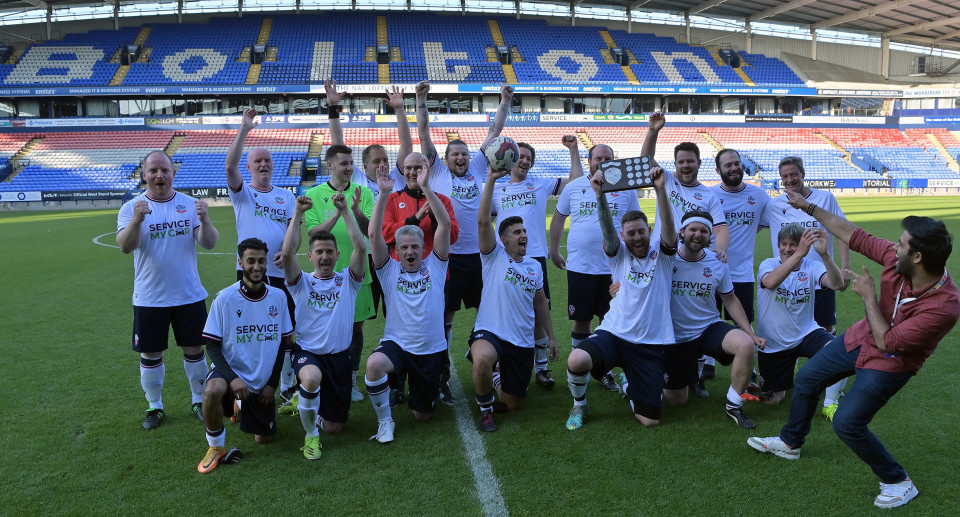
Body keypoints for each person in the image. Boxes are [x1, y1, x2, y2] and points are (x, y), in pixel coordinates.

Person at [748, 197, 959, 510]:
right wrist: (807, 207)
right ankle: (790, 442)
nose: (893, 247)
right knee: (806, 378)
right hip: (860, 337)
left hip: (892, 362)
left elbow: (889, 343)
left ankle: (898, 481)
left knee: (847, 423)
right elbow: (850, 232)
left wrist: (868, 297)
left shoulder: (944, 307)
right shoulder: (896, 258)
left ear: (917, 257)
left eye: (901, 245)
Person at [417, 80, 513, 406]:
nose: (460, 158)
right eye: (455, 154)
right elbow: (425, 133)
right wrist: (421, 101)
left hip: (482, 258)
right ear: (444, 159)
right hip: (448, 260)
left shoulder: (478, 167)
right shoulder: (438, 174)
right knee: (443, 319)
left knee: (489, 313)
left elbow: (496, 131)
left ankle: (489, 363)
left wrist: (504, 100)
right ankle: (442, 377)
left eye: (464, 154)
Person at [564, 164, 676, 430]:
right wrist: (600, 195)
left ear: (649, 231)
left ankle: (632, 389)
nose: (637, 237)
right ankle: (579, 404)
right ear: (624, 236)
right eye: (631, 233)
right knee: (577, 359)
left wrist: (660, 191)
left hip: (649, 344)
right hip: (614, 334)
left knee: (650, 421)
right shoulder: (619, 256)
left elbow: (670, 231)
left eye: (641, 231)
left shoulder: (662, 258)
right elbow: (608, 232)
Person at [116, 150, 219, 430]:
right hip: (150, 296)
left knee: (195, 349)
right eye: (153, 171)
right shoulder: (131, 208)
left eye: (164, 170)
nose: (159, 176)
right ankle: (155, 407)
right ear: (144, 175)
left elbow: (208, 243)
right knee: (150, 354)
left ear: (173, 173)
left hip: (188, 294)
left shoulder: (189, 205)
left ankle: (199, 400)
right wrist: (137, 220)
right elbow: (125, 246)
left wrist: (206, 220)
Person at [364, 153, 451, 444]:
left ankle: (426, 393)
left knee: (422, 417)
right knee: (374, 365)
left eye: (415, 246)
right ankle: (384, 420)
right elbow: (375, 234)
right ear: (397, 251)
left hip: (430, 350)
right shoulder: (388, 271)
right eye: (404, 248)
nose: (410, 252)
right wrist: (383, 194)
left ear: (422, 246)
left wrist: (426, 188)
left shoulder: (437, 266)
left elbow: (446, 226)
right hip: (398, 345)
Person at [642, 111, 730, 384]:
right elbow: (645, 159)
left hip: (693, 261)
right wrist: (653, 131)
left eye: (690, 161)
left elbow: (720, 227)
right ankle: (654, 366)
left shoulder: (709, 194)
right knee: (659, 308)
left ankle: (698, 372)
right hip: (663, 258)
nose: (685, 165)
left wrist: (721, 250)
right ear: (675, 164)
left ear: (698, 163)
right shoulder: (666, 180)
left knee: (694, 314)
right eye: (681, 161)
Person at [469, 166, 559, 432]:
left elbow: (540, 302)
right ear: (503, 239)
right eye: (516, 232)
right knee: (484, 358)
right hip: (491, 331)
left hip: (521, 340)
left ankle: (497, 376)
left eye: (524, 231)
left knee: (513, 403)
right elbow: (483, 221)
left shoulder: (533, 266)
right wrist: (492, 181)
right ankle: (485, 410)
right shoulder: (493, 256)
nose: (523, 235)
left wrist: (551, 337)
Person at [549, 137, 639, 392]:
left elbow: (632, 223)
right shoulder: (575, 186)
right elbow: (558, 218)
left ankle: (604, 369)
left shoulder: (626, 188)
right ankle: (579, 371)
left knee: (610, 319)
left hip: (615, 268)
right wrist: (554, 250)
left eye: (607, 158)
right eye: (598, 158)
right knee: (581, 320)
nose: (602, 162)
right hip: (581, 267)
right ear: (589, 162)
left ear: (614, 162)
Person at [661, 210, 766, 429]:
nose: (697, 235)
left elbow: (730, 298)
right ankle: (676, 377)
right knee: (677, 401)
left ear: (710, 236)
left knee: (745, 345)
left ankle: (733, 405)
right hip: (676, 335)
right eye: (693, 229)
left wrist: (750, 333)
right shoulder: (666, 260)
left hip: (708, 326)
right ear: (682, 232)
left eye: (703, 231)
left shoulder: (717, 261)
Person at [493, 135, 583, 389]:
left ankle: (541, 369)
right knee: (507, 312)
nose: (525, 161)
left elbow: (576, 183)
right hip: (504, 259)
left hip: (534, 259)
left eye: (529, 159)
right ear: (511, 159)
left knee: (537, 313)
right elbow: (485, 222)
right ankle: (505, 361)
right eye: (520, 156)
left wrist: (574, 149)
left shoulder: (541, 184)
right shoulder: (496, 188)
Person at [197, 238, 294, 473]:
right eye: (250, 261)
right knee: (212, 391)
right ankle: (216, 447)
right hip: (232, 372)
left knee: (264, 439)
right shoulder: (225, 298)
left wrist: (273, 384)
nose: (256, 266)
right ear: (240, 262)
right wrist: (233, 379)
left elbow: (284, 343)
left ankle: (240, 404)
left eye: (261, 261)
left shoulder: (279, 296)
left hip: (262, 381)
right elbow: (211, 345)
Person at [282, 192, 366, 460]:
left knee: (336, 428)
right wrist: (298, 214)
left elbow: (361, 247)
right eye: (319, 252)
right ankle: (310, 437)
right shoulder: (302, 282)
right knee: (311, 378)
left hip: (340, 358)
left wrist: (345, 212)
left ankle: (306, 401)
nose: (325, 256)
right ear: (310, 256)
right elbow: (286, 254)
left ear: (337, 254)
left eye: (330, 251)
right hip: (309, 354)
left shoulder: (348, 281)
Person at [225, 108, 298, 404]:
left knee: (285, 331)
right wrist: (245, 128)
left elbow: (296, 231)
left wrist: (288, 251)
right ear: (250, 166)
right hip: (249, 273)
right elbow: (230, 167)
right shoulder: (243, 193)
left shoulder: (286, 196)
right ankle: (250, 382)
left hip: (281, 274)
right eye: (258, 161)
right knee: (249, 331)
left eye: (267, 160)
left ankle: (287, 385)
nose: (264, 164)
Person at [326, 79, 408, 322]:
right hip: (365, 255)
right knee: (357, 319)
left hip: (393, 254)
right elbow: (338, 145)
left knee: (397, 312)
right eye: (376, 161)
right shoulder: (358, 179)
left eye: (385, 159)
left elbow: (406, 144)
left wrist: (400, 110)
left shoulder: (397, 179)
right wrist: (332, 108)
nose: (383, 164)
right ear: (364, 166)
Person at [303, 144, 374, 405]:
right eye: (343, 163)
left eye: (351, 163)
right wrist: (338, 212)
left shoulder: (363, 192)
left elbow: (369, 232)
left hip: (356, 274)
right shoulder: (314, 193)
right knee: (324, 326)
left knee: (355, 329)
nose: (349, 167)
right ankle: (319, 377)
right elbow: (314, 233)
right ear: (329, 165)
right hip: (324, 277)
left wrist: (352, 210)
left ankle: (351, 380)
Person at [753, 224, 845, 413]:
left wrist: (825, 255)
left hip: (806, 332)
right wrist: (798, 254)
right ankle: (782, 372)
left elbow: (837, 284)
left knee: (840, 351)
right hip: (774, 343)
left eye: (793, 245)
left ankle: (830, 404)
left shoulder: (812, 267)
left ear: (803, 246)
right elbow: (770, 282)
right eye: (783, 244)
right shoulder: (768, 264)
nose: (787, 249)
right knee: (773, 400)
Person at [759, 156, 850, 333]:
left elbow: (841, 231)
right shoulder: (774, 205)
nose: (789, 180)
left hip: (819, 276)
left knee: (825, 327)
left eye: (793, 174)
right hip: (787, 280)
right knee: (787, 327)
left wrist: (845, 267)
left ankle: (825, 359)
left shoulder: (825, 198)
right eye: (784, 176)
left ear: (803, 174)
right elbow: (750, 229)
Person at [710, 148, 771, 324]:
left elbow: (768, 220)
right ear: (718, 170)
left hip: (742, 274)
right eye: (728, 165)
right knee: (707, 324)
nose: (734, 168)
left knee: (743, 327)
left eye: (737, 163)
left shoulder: (758, 195)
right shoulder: (709, 195)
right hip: (710, 271)